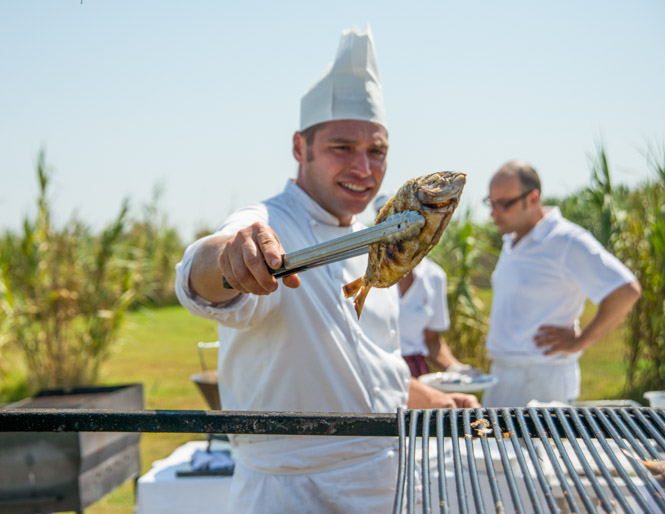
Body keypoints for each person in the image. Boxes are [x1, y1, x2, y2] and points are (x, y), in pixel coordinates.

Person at [175, 26, 479, 513]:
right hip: (294, 494)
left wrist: (428, 398)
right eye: (343, 147)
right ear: (300, 148)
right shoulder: (268, 222)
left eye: (376, 151)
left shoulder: (375, 236)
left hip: (389, 480)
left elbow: (360, 365)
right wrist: (228, 258)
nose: (364, 168)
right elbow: (203, 274)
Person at [481, 160, 642, 407]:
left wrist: (580, 341)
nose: (494, 212)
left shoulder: (566, 241)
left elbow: (625, 291)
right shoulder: (512, 240)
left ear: (533, 199)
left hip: (543, 383)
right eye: (491, 203)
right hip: (501, 379)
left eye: (504, 204)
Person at [373, 193, 480, 379]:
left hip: (417, 373)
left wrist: (456, 369)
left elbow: (432, 342)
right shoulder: (362, 272)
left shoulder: (434, 276)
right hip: (374, 370)